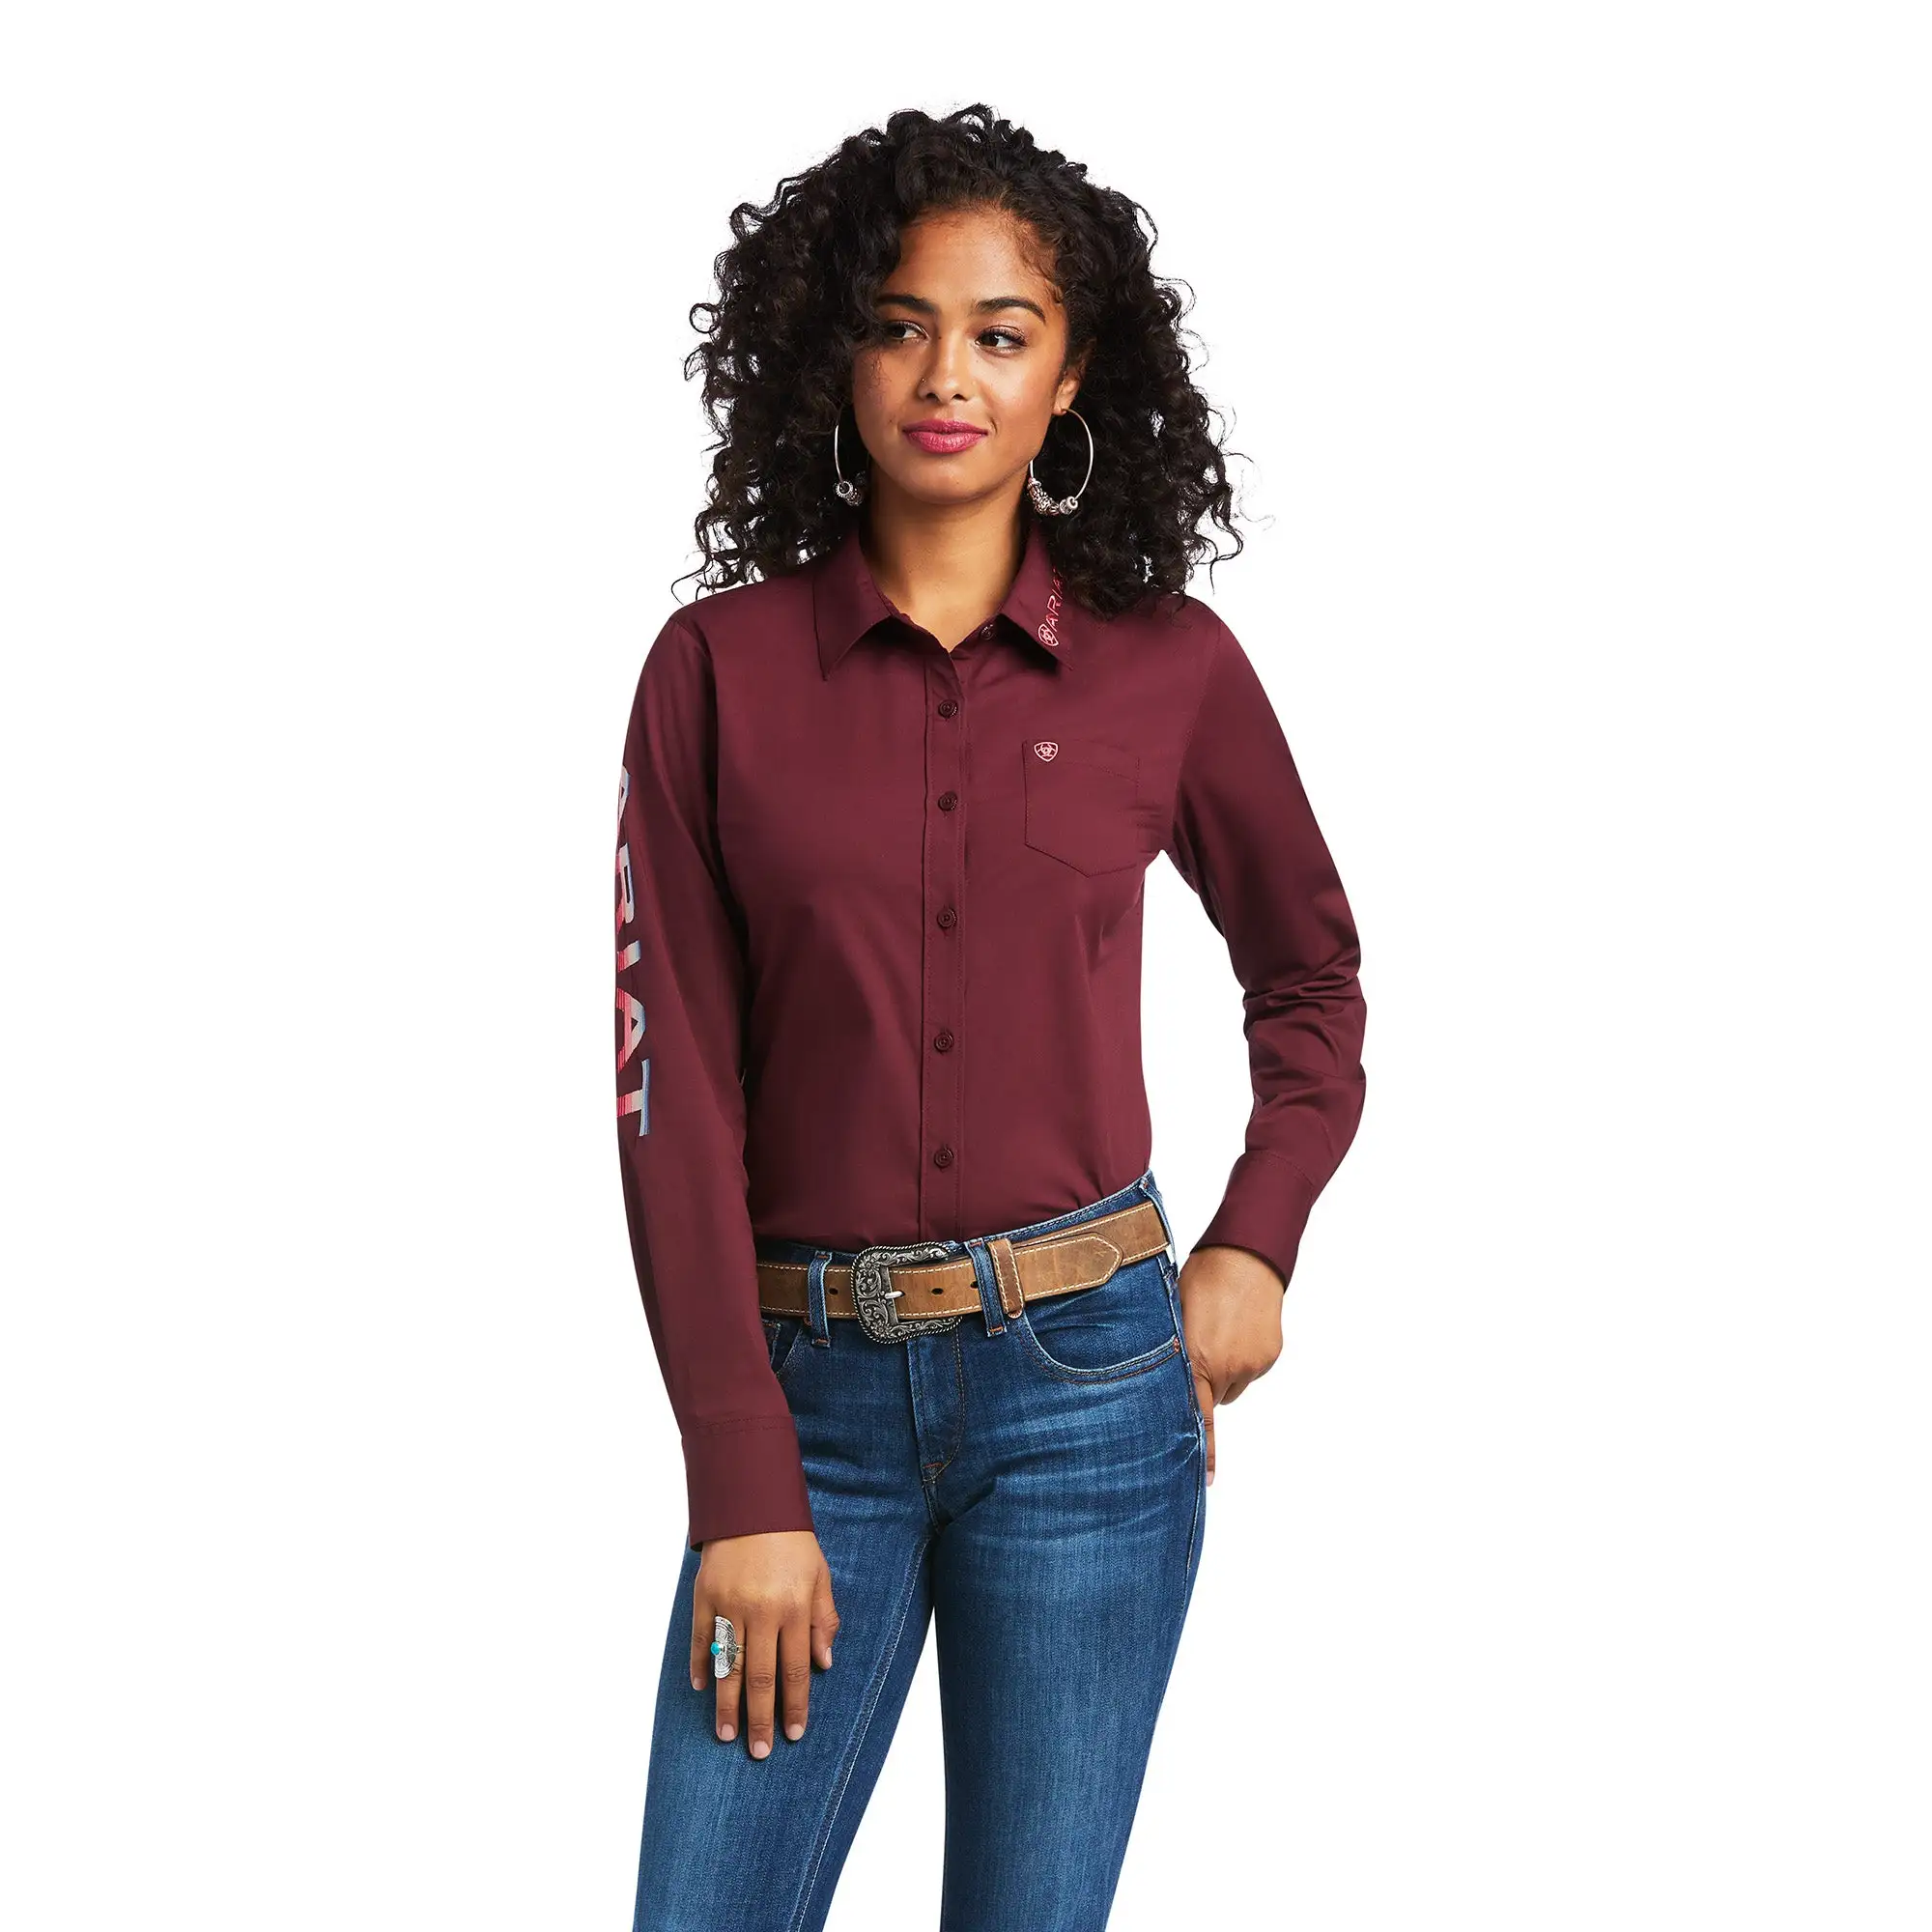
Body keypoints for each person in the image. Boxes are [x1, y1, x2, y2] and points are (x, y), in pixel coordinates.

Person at [614, 103, 1368, 1931]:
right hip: (806, 1408)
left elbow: (1312, 981)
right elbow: (670, 1096)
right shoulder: (714, 677)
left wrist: (1255, 1241)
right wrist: (741, 1479)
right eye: (900, 325)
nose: (947, 374)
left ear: (1070, 375)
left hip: (1093, 1396)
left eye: (1000, 332)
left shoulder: (1170, 670)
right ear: (835, 355)